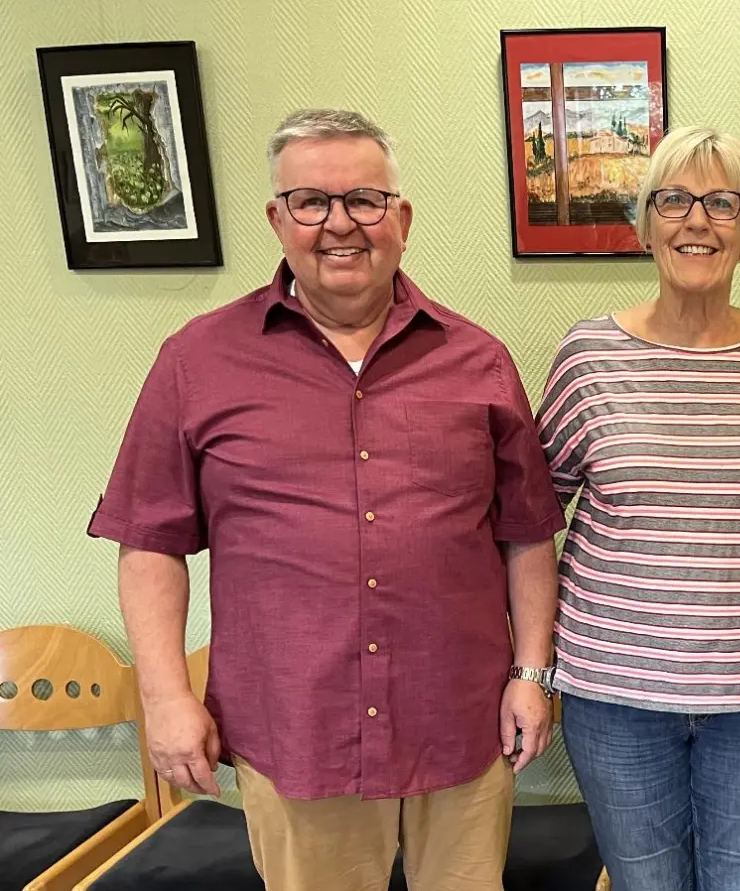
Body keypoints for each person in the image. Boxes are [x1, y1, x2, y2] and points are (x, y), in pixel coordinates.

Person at [88, 108, 568, 891]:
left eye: (364, 200)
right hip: (296, 728)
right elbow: (149, 542)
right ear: (278, 219)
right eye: (311, 202)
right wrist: (166, 697)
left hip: (459, 718)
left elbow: (526, 536)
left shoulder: (477, 359)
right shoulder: (197, 360)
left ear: (401, 219)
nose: (340, 224)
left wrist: (531, 672)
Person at [534, 125, 740, 891]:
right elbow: (530, 516)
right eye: (674, 200)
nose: (697, 221)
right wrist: (530, 663)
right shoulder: (588, 357)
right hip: (614, 696)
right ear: (646, 226)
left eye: (721, 203)